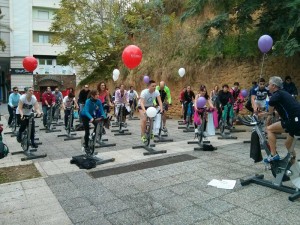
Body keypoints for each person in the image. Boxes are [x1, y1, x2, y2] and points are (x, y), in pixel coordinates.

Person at [264, 76, 300, 163]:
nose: (268, 86)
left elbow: (270, 113)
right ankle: (293, 164)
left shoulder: (275, 96)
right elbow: (279, 111)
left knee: (269, 129)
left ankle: (274, 155)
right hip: (297, 120)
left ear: (273, 85)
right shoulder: (283, 93)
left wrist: (267, 119)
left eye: (269, 84)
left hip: (293, 121)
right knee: (288, 144)